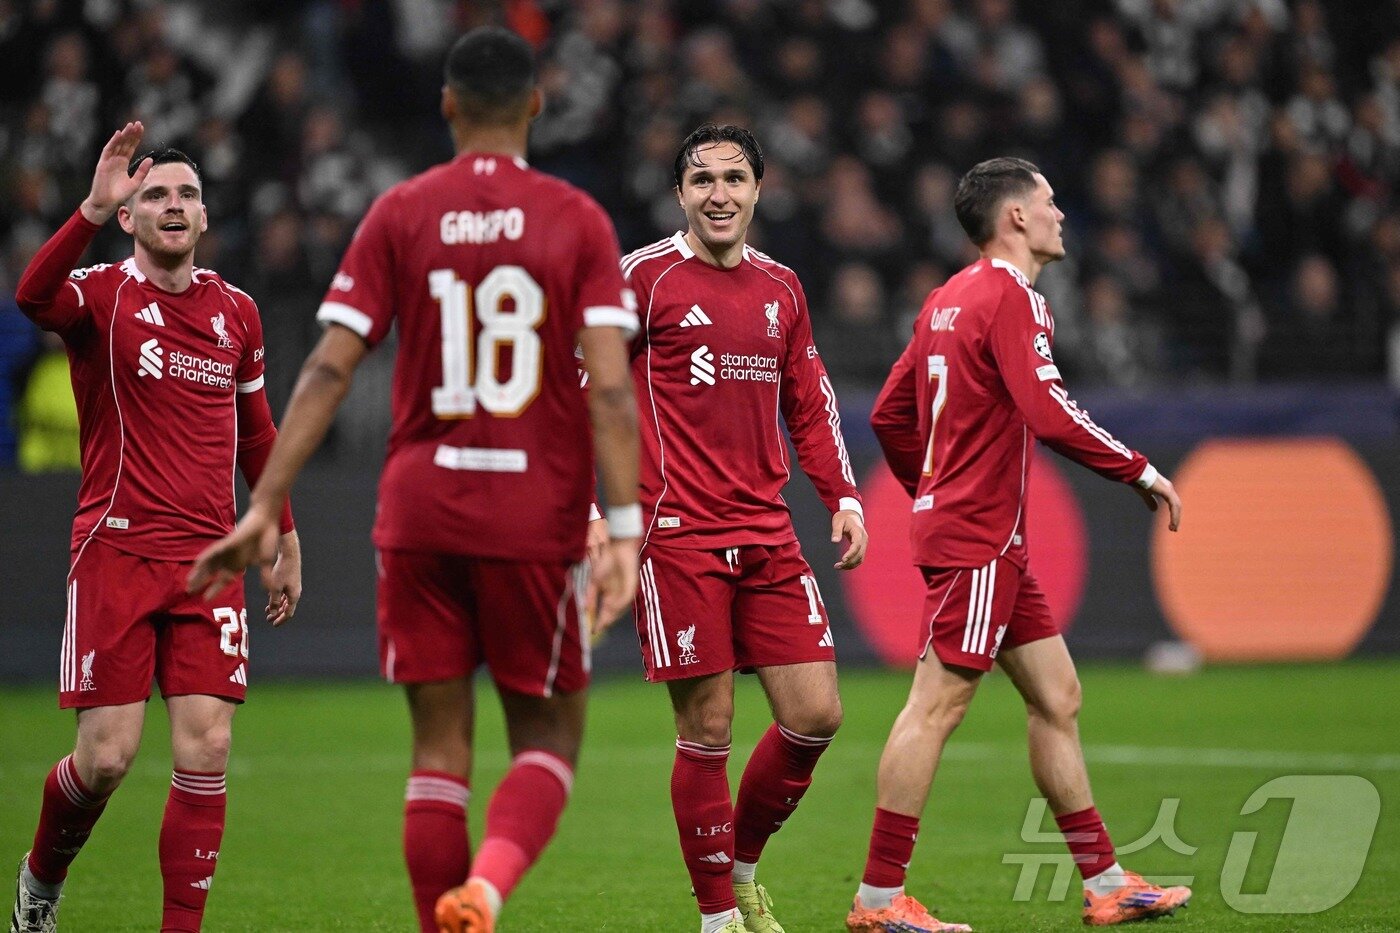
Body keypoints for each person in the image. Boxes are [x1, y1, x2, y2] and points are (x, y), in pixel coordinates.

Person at [187, 27, 641, 933]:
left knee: (438, 749)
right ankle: (487, 891)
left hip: (421, 509)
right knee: (549, 736)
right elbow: (614, 389)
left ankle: (443, 922)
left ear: (446, 105)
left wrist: (266, 499)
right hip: (529, 514)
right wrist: (625, 526)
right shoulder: (576, 219)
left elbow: (325, 369)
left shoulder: (402, 211)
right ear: (537, 104)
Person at [846, 157, 1190, 933]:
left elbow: (888, 416)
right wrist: (1137, 469)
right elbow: (1049, 409)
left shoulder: (944, 300)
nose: (1061, 212)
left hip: (979, 533)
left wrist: (929, 486)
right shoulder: (1012, 298)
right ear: (1016, 220)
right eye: (1050, 199)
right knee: (936, 705)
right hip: (977, 536)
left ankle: (1106, 881)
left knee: (1058, 695)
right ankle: (875, 901)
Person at [9, 123, 302, 933]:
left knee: (205, 750)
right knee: (104, 757)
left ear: (205, 217)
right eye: (155, 196)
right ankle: (41, 878)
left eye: (186, 194)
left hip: (212, 561)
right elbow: (32, 296)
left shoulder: (236, 312)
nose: (174, 205)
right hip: (117, 549)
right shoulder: (99, 294)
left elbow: (259, 434)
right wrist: (88, 209)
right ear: (131, 217)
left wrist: (283, 530)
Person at [620, 123, 868, 933]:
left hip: (767, 530)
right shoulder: (643, 279)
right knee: (710, 727)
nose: (718, 194)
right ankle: (718, 917)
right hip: (678, 533)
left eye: (733, 179)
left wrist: (843, 495)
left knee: (816, 714)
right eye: (701, 181)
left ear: (759, 189)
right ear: (680, 194)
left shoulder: (782, 288)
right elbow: (574, 392)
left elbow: (810, 400)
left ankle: (741, 864)